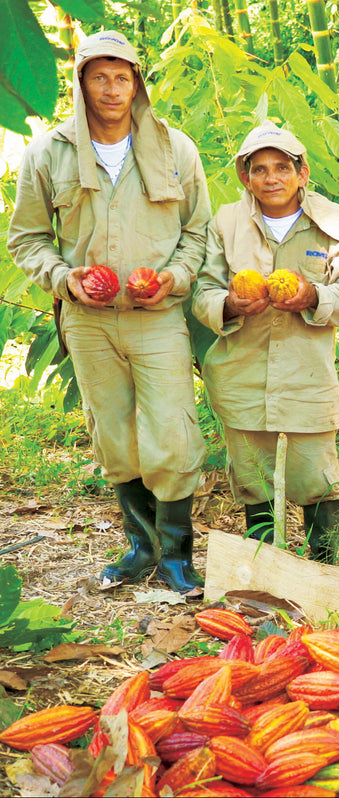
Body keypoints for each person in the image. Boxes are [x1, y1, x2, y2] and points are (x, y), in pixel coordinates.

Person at [8, 31, 210, 595]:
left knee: (171, 431)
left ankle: (175, 553)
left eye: (122, 75)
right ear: (81, 82)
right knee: (114, 436)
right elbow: (26, 239)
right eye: (100, 75)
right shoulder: (49, 153)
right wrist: (64, 277)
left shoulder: (176, 149)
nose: (112, 88)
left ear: (138, 81)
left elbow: (198, 233)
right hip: (89, 320)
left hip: (158, 315)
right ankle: (140, 547)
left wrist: (174, 277)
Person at [193, 123, 339, 561]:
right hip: (242, 374)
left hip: (305, 375)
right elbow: (201, 290)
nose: (271, 178)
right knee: (253, 479)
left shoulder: (335, 225)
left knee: (318, 478)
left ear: (302, 172)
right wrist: (230, 305)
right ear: (245, 178)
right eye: (259, 170)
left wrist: (313, 296)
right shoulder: (226, 224)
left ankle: (324, 571)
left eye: (281, 168)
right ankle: (266, 572)